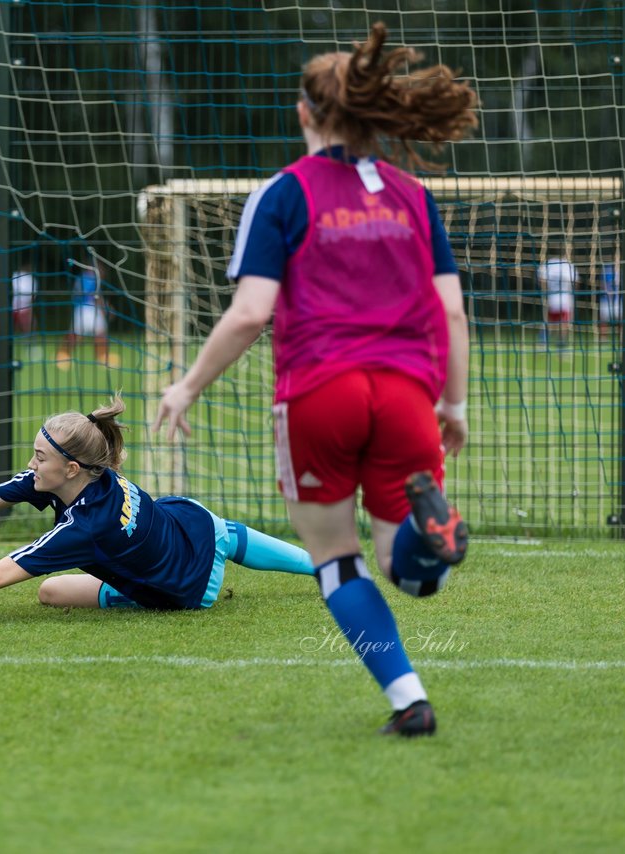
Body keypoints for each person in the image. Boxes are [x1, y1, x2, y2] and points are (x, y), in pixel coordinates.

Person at [153, 22, 476, 737]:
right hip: (406, 392)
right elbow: (451, 310)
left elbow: (250, 314)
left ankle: (408, 702)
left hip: (319, 394)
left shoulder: (283, 194)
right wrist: (453, 403)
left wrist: (186, 387)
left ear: (304, 112)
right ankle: (435, 536)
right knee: (408, 569)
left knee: (336, 562)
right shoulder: (412, 195)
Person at [0, 395, 313, 612]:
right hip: (197, 524)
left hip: (186, 587)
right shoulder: (79, 474)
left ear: (70, 468)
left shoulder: (85, 525)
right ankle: (321, 566)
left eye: (40, 455)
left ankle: (318, 566)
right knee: (50, 592)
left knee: (57, 586)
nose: (32, 463)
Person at [55, 258, 118, 370]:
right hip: (88, 309)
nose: (103, 272)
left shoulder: (82, 277)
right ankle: (103, 358)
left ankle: (63, 356)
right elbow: (95, 297)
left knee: (79, 334)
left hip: (81, 308)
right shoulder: (91, 279)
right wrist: (107, 308)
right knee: (97, 333)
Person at [537, 251, 577, 350]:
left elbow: (541, 279)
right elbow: (575, 283)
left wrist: (547, 291)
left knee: (549, 321)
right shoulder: (569, 266)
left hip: (552, 297)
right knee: (564, 323)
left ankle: (542, 343)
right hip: (565, 299)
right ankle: (561, 345)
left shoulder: (550, 264)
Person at [596, 260, 621, 342]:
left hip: (617, 300)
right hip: (606, 300)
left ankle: (621, 337)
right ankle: (603, 338)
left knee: (621, 319)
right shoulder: (606, 270)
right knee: (603, 320)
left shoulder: (620, 272)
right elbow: (602, 285)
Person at [11, 258, 37, 336]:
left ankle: (31, 344)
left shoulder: (31, 278)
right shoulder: (16, 275)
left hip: (25, 306)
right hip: (13, 305)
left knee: (29, 325)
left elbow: (33, 294)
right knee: (8, 325)